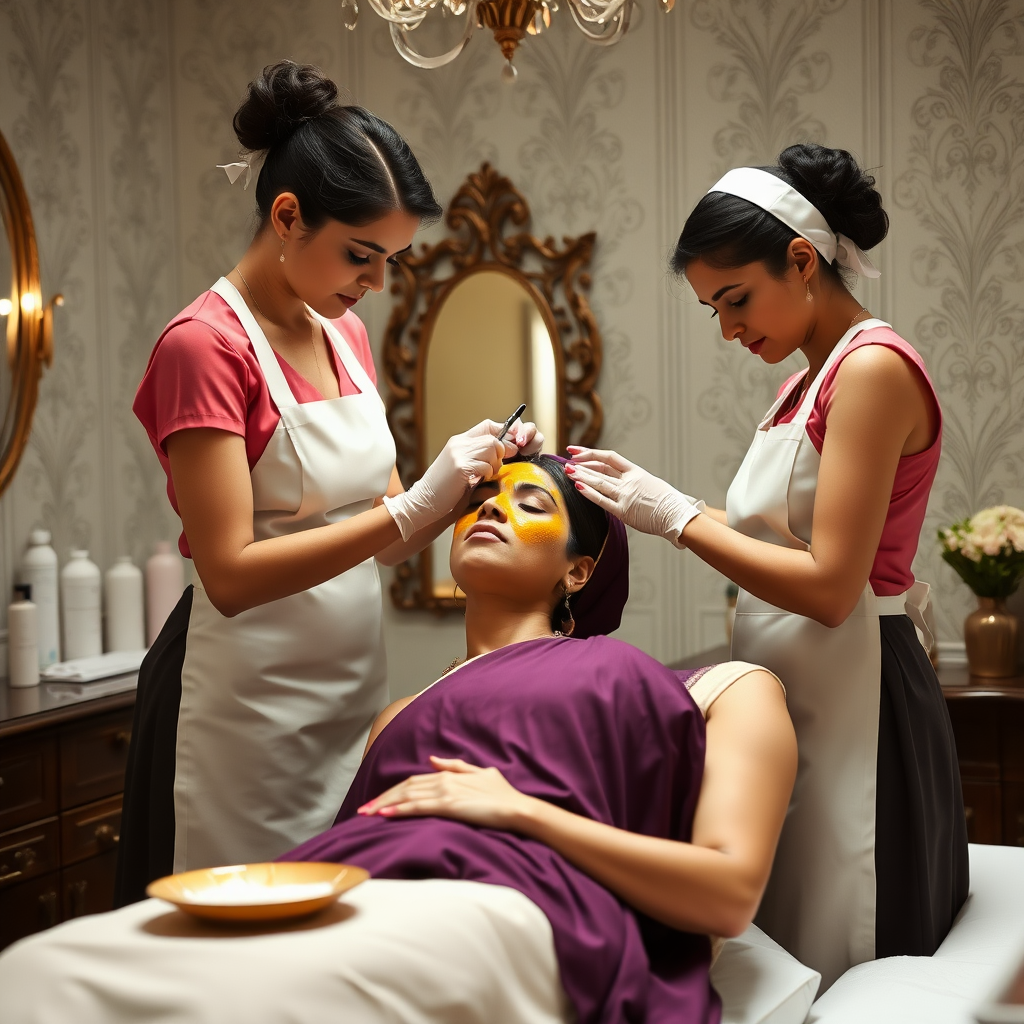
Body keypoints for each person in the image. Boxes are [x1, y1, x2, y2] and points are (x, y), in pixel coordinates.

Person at [1, 456, 797, 1024]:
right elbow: (351, 844)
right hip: (352, 888)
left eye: (527, 505)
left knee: (250, 1000)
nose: (488, 507)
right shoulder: (405, 713)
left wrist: (521, 811)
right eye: (482, 497)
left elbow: (724, 897)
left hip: (502, 913)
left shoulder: (710, 692)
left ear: (578, 572)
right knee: (44, 970)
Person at [116, 61, 541, 906]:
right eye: (362, 254)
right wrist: (412, 505)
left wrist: (466, 477)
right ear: (286, 216)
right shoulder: (203, 346)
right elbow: (231, 574)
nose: (376, 283)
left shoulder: (343, 334)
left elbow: (389, 534)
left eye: (391, 259)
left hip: (346, 698)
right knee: (243, 943)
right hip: (240, 713)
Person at [567, 145, 969, 988]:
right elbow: (773, 542)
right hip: (788, 692)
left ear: (801, 258)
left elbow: (829, 588)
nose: (728, 328)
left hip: (859, 690)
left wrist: (675, 519)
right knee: (780, 929)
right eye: (714, 308)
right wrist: (646, 493)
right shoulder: (804, 382)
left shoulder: (870, 369)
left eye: (736, 299)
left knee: (846, 936)